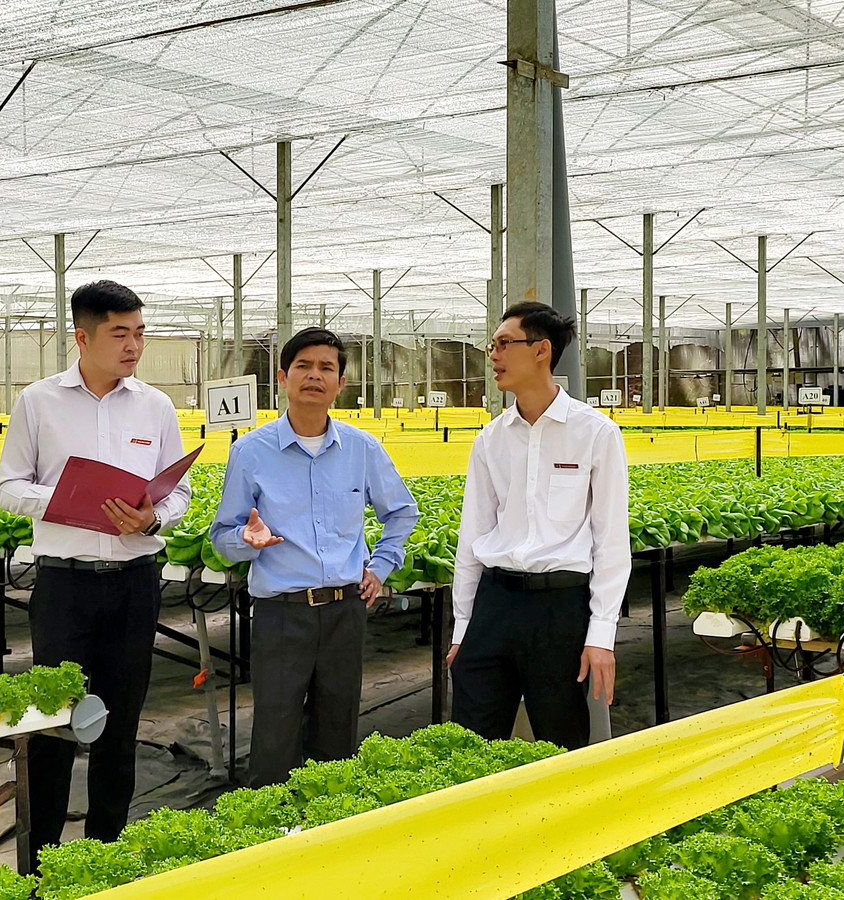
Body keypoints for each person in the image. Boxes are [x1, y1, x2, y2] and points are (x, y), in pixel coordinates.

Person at [0, 280, 190, 857]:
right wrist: (67, 501)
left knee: (119, 727)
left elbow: (178, 493)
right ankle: (41, 862)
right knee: (55, 724)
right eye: (120, 333)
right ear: (82, 337)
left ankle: (104, 856)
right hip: (65, 585)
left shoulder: (156, 406)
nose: (134, 346)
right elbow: (7, 487)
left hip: (134, 583)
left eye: (140, 333)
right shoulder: (38, 402)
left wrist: (152, 518)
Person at [210, 327, 419, 787]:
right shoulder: (251, 451)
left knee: (337, 733)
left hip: (346, 611)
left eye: (326, 368)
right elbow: (221, 537)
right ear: (282, 378)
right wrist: (247, 539)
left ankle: (330, 825)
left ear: (340, 383)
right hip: (282, 615)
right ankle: (272, 824)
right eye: (303, 366)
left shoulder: (362, 449)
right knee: (275, 735)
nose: (314, 376)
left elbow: (402, 512)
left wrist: (381, 566)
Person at [446, 301, 630, 750]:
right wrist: (463, 628)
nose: (494, 355)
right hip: (495, 604)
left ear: (542, 350)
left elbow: (610, 542)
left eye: (504, 344)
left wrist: (601, 635)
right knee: (470, 744)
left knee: (561, 743)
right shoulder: (491, 439)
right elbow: (472, 538)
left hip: (560, 609)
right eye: (492, 346)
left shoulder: (595, 433)